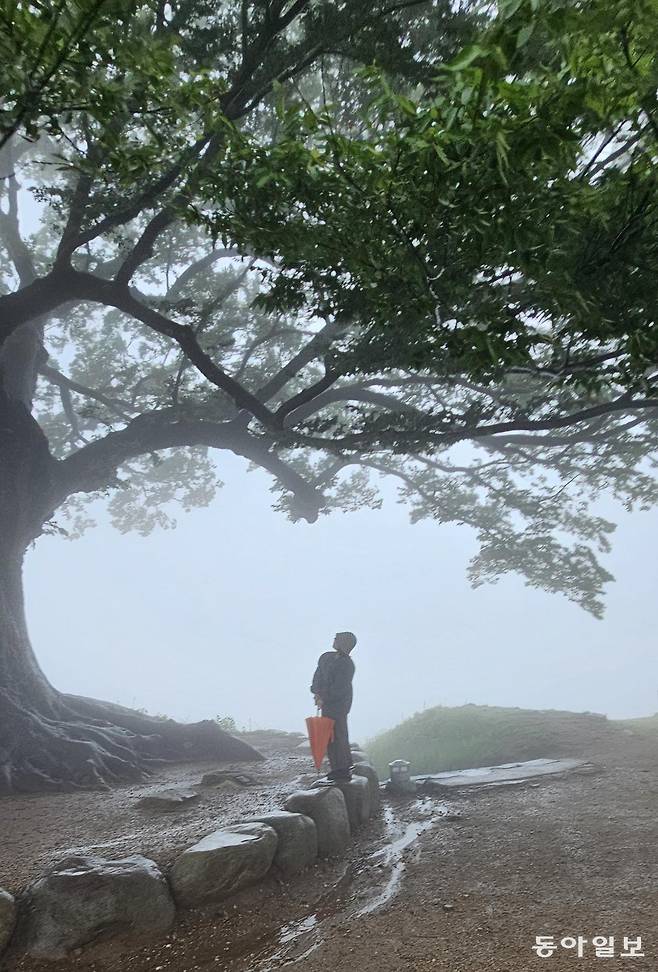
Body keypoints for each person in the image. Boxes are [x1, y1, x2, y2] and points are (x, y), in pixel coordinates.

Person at [310, 631, 357, 782]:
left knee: (339, 735)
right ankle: (336, 768)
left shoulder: (347, 664)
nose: (334, 640)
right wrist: (317, 693)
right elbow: (317, 676)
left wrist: (324, 697)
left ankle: (343, 768)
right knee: (329, 736)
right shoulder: (326, 657)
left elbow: (340, 687)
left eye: (338, 639)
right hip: (326, 703)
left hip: (339, 705)